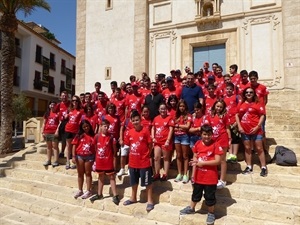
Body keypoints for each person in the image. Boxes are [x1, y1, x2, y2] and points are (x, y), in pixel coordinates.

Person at [180, 125, 223, 225]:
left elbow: (217, 161)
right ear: (201, 134)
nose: (206, 137)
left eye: (208, 135)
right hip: (199, 177)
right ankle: (191, 208)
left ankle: (211, 213)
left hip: (210, 177)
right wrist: (193, 174)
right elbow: (195, 159)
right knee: (196, 194)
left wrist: (203, 163)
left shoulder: (216, 145)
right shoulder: (198, 144)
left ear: (212, 135)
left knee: (210, 196)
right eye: (204, 134)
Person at [123, 111, 154, 212]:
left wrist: (147, 155)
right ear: (131, 121)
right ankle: (133, 197)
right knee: (133, 181)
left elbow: (150, 145)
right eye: (133, 120)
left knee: (147, 182)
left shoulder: (145, 131)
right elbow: (128, 145)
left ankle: (150, 201)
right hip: (133, 162)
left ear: (140, 120)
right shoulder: (130, 132)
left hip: (144, 162)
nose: (135, 122)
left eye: (137, 120)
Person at [235, 87, 267, 177]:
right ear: (244, 94)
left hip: (256, 130)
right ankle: (249, 166)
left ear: (254, 94)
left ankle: (263, 167)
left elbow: (262, 116)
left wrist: (257, 127)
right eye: (247, 92)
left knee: (259, 148)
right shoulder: (241, 103)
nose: (249, 94)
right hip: (244, 130)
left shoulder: (258, 103)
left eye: (251, 92)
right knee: (247, 148)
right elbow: (237, 115)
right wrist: (239, 126)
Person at [89, 119, 120, 205]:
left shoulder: (111, 137)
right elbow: (95, 148)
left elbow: (114, 151)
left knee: (112, 177)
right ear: (101, 126)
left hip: (108, 161)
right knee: (100, 176)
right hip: (100, 160)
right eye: (104, 126)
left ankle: (115, 195)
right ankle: (99, 194)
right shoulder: (97, 137)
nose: (106, 128)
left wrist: (114, 162)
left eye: (107, 126)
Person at [206, 99, 231, 189]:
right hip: (213, 140)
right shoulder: (210, 116)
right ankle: (214, 177)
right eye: (217, 106)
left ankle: (223, 180)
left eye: (221, 107)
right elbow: (207, 128)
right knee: (213, 159)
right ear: (214, 106)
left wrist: (230, 138)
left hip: (222, 139)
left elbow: (227, 128)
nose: (219, 108)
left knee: (222, 160)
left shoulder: (225, 116)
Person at [72, 120, 95, 199]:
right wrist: (73, 156)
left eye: (87, 126)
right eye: (84, 127)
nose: (86, 128)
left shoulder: (93, 135)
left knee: (88, 173)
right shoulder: (78, 135)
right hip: (80, 156)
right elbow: (74, 146)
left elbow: (95, 147)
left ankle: (88, 190)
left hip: (89, 156)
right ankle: (80, 190)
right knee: (80, 173)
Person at [152, 103, 174, 181]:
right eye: (161, 109)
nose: (163, 110)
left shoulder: (169, 118)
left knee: (166, 158)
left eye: (164, 109)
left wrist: (168, 140)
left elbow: (171, 130)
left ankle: (165, 174)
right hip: (157, 142)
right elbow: (153, 128)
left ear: (166, 110)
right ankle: (157, 173)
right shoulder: (156, 118)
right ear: (159, 110)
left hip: (165, 142)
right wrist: (153, 137)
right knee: (156, 158)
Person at [174, 99, 192, 184]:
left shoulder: (188, 115)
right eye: (180, 106)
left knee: (185, 156)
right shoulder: (176, 116)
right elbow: (172, 126)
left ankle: (185, 174)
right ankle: (179, 173)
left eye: (183, 106)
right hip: (176, 136)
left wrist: (178, 125)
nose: (182, 108)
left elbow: (187, 126)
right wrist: (181, 126)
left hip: (184, 136)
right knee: (178, 155)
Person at [223, 82, 241, 163]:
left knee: (236, 139)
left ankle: (235, 155)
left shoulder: (236, 97)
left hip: (234, 121)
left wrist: (237, 122)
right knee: (228, 138)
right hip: (227, 121)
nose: (229, 90)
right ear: (225, 90)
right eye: (227, 89)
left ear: (233, 90)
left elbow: (239, 109)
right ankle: (230, 154)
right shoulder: (223, 98)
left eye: (230, 89)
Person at [65, 95, 83, 169]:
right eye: (73, 101)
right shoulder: (70, 110)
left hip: (76, 131)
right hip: (68, 129)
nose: (74, 102)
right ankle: (67, 161)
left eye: (76, 101)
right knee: (68, 146)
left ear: (78, 102)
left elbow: (81, 121)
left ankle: (74, 161)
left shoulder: (81, 111)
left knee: (75, 147)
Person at [41, 101, 60, 167]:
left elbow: (59, 123)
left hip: (54, 132)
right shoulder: (47, 113)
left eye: (54, 105)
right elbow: (44, 123)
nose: (52, 106)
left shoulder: (58, 113)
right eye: (51, 105)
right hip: (47, 132)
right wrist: (42, 131)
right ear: (49, 106)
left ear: (55, 106)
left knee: (55, 146)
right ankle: (48, 160)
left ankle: (56, 161)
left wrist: (57, 131)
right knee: (49, 147)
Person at [56, 91, 70, 158]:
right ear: (60, 97)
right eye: (63, 96)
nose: (64, 97)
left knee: (67, 139)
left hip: (68, 123)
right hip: (61, 123)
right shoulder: (59, 105)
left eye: (65, 95)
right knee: (61, 139)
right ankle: (61, 152)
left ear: (68, 96)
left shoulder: (70, 104)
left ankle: (68, 153)